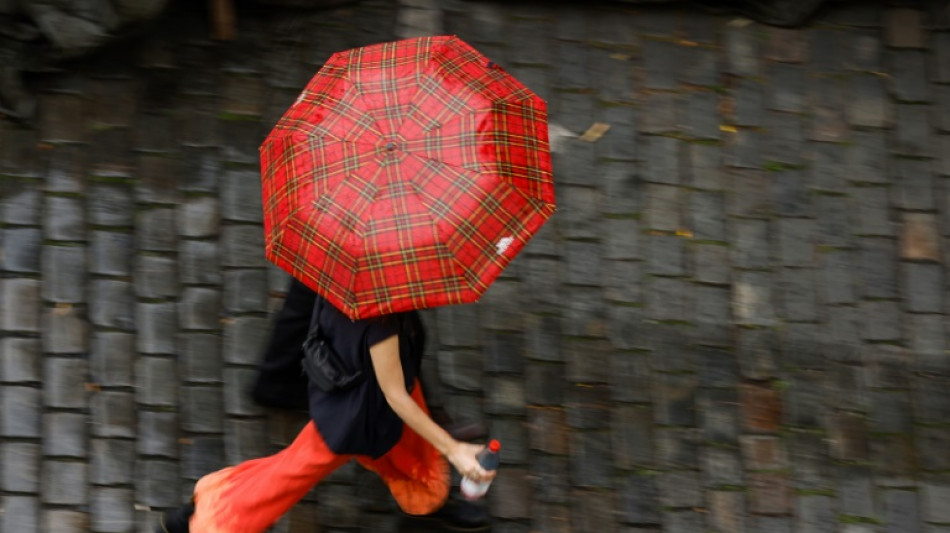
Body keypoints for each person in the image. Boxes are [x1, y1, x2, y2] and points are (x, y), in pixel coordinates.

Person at [156, 288, 494, 533]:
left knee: (408, 454)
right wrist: (455, 450)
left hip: (348, 387)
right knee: (292, 472)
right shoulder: (380, 316)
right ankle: (209, 522)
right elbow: (394, 396)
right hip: (360, 412)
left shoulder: (335, 270)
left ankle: (425, 501)